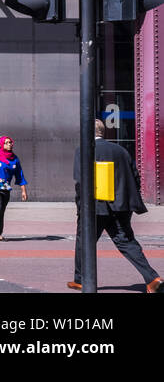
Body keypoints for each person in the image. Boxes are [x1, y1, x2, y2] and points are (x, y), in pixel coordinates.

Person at [69, 120, 162, 293]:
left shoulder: (83, 151)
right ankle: (152, 278)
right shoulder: (121, 150)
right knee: (126, 242)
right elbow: (135, 176)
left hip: (94, 207)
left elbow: (80, 181)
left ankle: (80, 279)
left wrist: (80, 207)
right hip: (120, 206)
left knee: (84, 242)